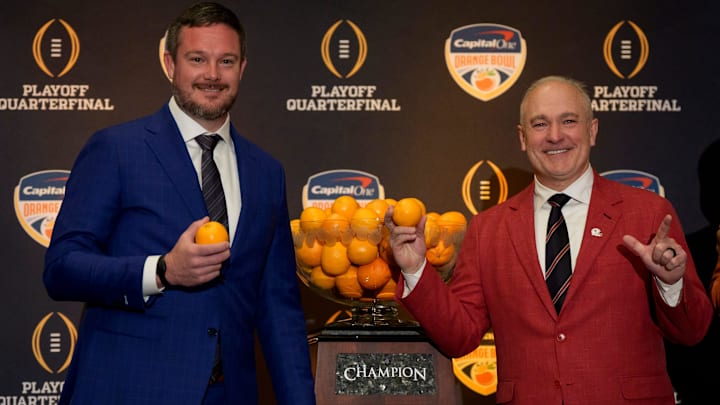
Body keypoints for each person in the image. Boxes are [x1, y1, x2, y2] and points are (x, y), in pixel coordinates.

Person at [43, 2, 315, 404]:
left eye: (226, 60)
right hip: (128, 389)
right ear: (170, 64)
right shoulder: (117, 150)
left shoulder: (266, 172)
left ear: (242, 68)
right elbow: (62, 269)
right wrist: (163, 271)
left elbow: (279, 309)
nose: (212, 74)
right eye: (196, 59)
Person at [384, 75, 713, 404]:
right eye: (540, 124)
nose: (555, 136)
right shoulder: (488, 229)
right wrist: (416, 269)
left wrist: (671, 283)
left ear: (592, 130)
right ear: (523, 137)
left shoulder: (649, 213)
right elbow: (459, 337)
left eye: (568, 121)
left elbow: (691, 331)